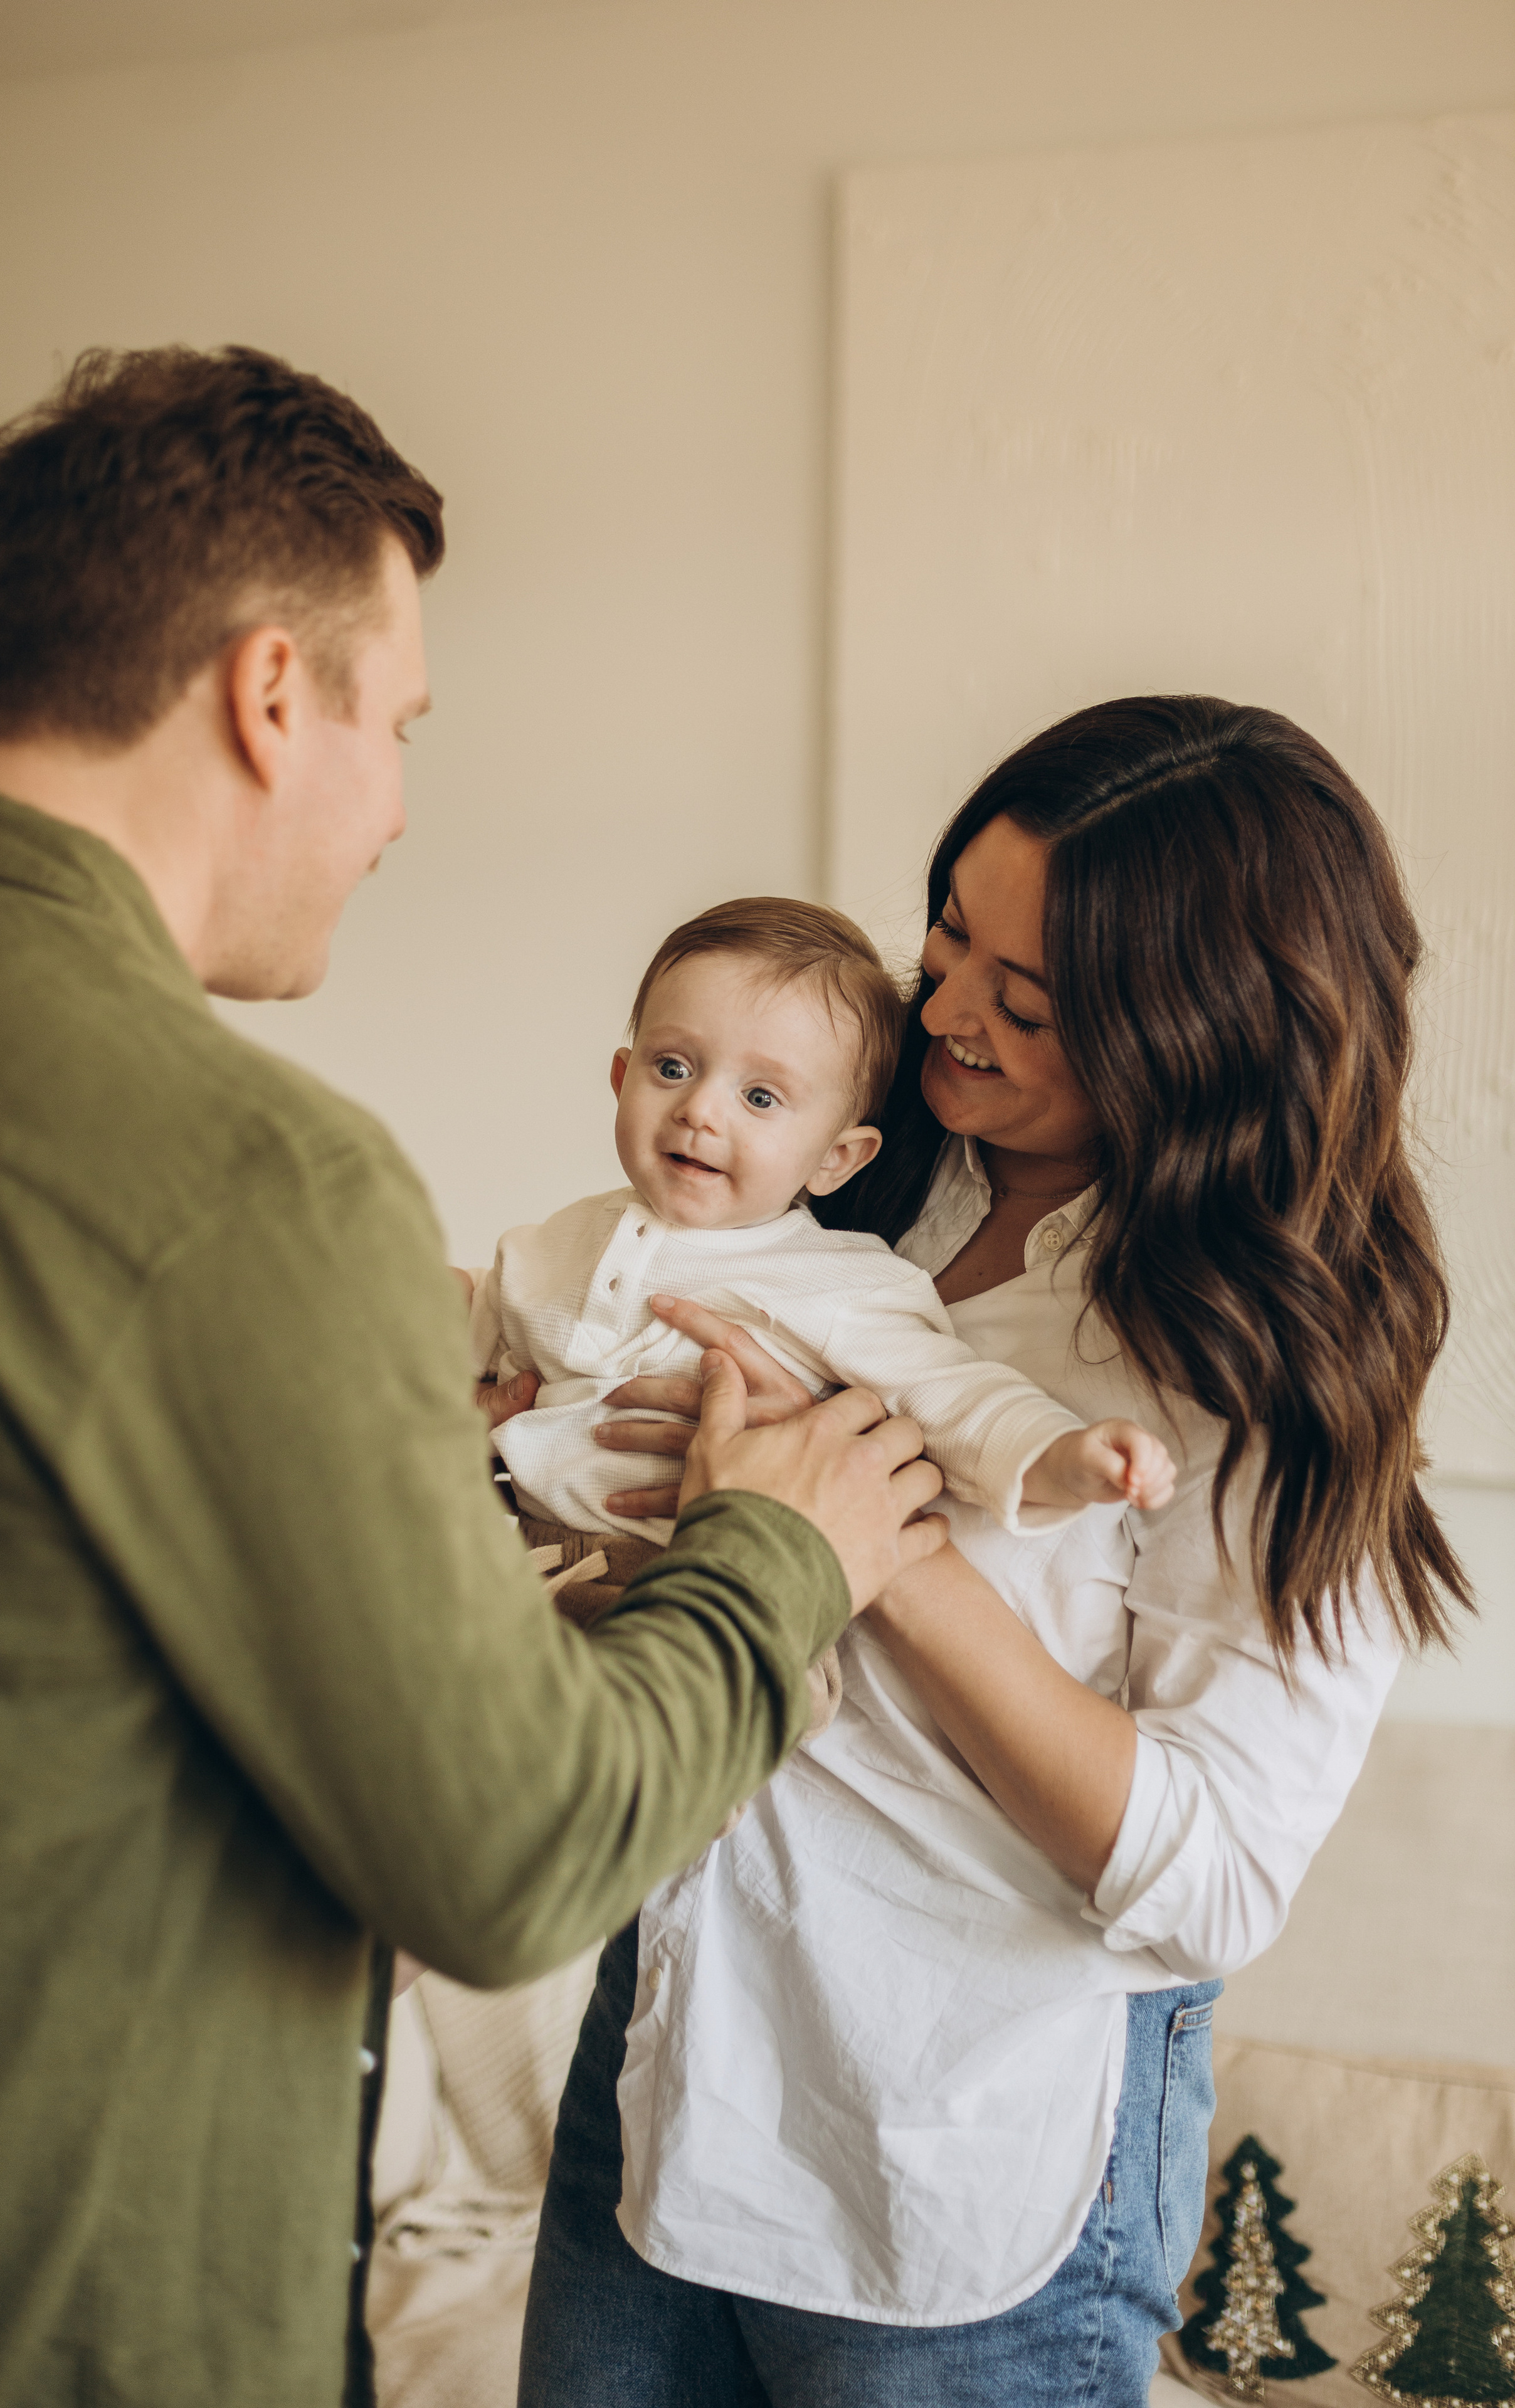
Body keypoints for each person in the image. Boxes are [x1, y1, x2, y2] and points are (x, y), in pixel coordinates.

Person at [0, 344, 947, 2408]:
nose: (394, 803)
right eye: (399, 723)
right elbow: (510, 1853)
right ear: (268, 692)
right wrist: (772, 1557)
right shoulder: (246, 1179)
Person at [517, 695, 1472, 2407]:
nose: (941, 1010)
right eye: (949, 929)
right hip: (672, 2066)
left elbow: (1214, 1878)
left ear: (1198, 1030)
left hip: (951, 2168)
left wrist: (885, 1554)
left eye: (1022, 999)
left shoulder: (1255, 1369)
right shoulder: (853, 1183)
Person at [472, 894, 1176, 1738]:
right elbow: (481, 1313)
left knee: (624, 1740)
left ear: (838, 1158)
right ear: (621, 1080)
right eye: (673, 1069)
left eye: (761, 1098)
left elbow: (948, 1395)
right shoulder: (568, 1235)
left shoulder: (838, 1283)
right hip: (516, 1538)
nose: (702, 1110)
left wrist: (1058, 1457)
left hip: (694, 1580)